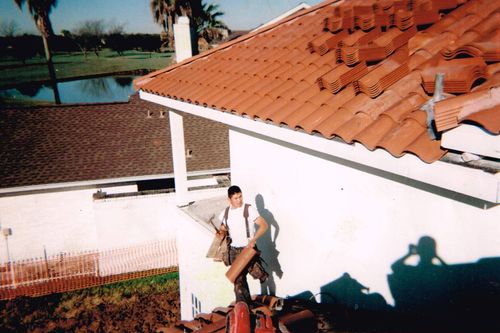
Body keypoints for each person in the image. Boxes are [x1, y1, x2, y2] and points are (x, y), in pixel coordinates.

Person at [219, 185, 269, 303]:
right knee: (238, 281)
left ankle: (245, 306)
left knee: (253, 277)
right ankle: (246, 307)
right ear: (229, 200)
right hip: (234, 251)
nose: (239, 200)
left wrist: (253, 239)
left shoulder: (249, 210)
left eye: (240, 196)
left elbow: (264, 226)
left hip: (248, 250)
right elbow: (223, 229)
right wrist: (220, 233)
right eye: (236, 198)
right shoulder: (225, 213)